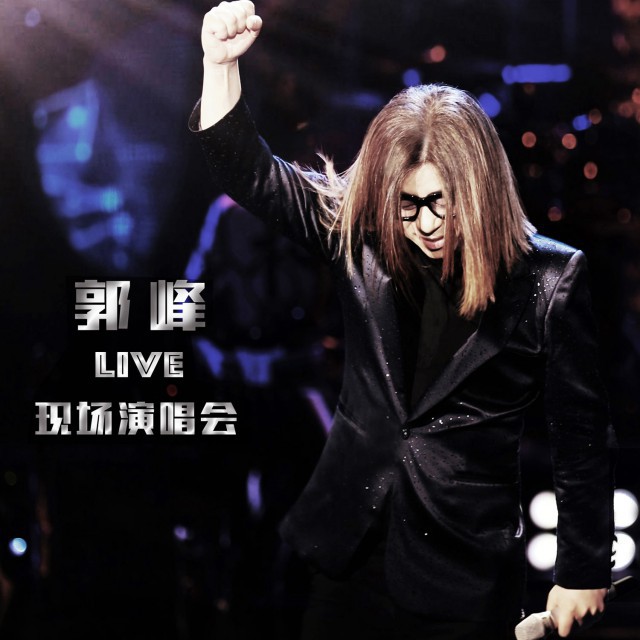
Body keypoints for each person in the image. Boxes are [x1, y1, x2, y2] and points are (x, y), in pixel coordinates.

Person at [189, 2, 615, 638]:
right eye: (408, 205)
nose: (426, 224)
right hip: (348, 549)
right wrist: (219, 66)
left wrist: (583, 569)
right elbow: (251, 174)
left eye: (442, 203)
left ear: (478, 188)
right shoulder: (361, 238)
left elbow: (580, 436)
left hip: (463, 569)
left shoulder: (550, 278)